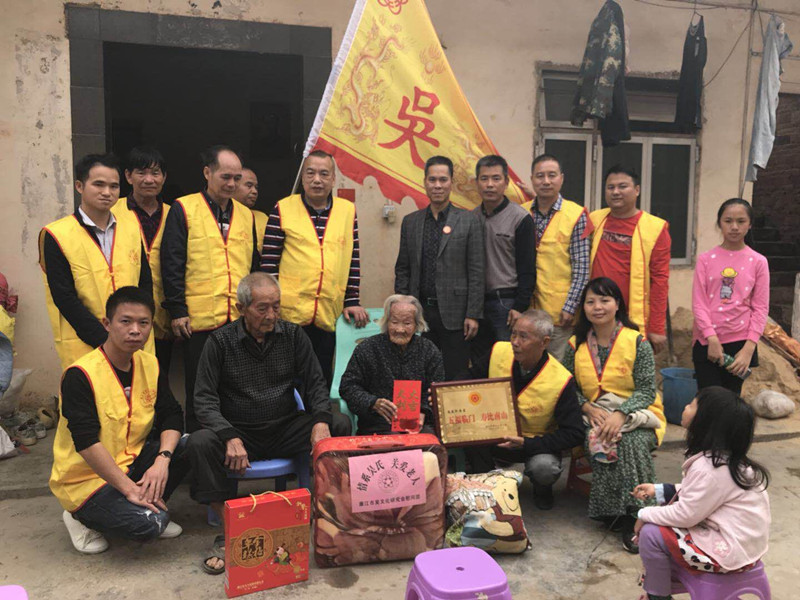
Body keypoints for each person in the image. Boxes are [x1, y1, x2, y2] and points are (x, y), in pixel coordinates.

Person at [185, 272, 351, 574]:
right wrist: (228, 435)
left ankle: (328, 513)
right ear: (241, 309)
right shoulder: (219, 342)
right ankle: (229, 527)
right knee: (199, 441)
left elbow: (315, 383)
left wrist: (320, 420)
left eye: (276, 306)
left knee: (338, 425)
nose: (271, 315)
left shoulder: (293, 335)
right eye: (262, 308)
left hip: (284, 426)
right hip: (240, 431)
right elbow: (204, 399)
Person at [50, 287, 188, 554]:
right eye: (126, 321)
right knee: (150, 526)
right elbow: (86, 442)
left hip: (131, 462)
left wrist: (162, 460)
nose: (135, 330)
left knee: (190, 445)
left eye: (143, 323)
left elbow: (171, 413)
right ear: (107, 324)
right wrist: (129, 489)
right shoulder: (81, 375)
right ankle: (78, 516)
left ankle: (149, 506)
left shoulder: (149, 364)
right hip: (86, 479)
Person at [633, 387, 771, 600]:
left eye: (692, 405)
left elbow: (686, 514)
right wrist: (659, 490)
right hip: (745, 547)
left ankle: (658, 595)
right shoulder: (728, 462)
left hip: (728, 553)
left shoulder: (709, 468)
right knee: (664, 527)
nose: (686, 407)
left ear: (706, 422)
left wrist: (644, 514)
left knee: (651, 534)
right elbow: (699, 494)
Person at [563, 277, 666, 553]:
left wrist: (621, 414)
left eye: (605, 300)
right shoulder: (575, 345)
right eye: (590, 301)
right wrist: (586, 407)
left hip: (638, 413)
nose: (597, 307)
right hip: (593, 414)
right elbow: (565, 387)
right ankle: (613, 511)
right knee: (601, 437)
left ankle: (637, 515)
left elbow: (647, 390)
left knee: (629, 441)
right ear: (583, 307)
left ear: (617, 304)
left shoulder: (637, 341)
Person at [161, 145, 259, 432]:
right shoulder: (183, 208)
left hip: (238, 318)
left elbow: (252, 266)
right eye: (225, 177)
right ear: (207, 173)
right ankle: (199, 444)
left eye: (237, 178)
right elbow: (172, 261)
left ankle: (237, 441)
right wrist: (177, 309)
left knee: (237, 385)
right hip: (199, 319)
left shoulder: (246, 215)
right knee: (200, 388)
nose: (231, 184)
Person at [261, 150, 368, 388]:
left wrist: (352, 300)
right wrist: (270, 306)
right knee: (286, 378)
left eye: (324, 174)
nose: (317, 180)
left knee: (320, 376)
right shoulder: (283, 208)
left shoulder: (347, 211)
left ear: (333, 179)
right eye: (310, 173)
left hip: (328, 311)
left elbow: (353, 258)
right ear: (302, 178)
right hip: (288, 313)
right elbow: (269, 263)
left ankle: (318, 413)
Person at [39, 153, 154, 371]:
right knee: (91, 391)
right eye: (99, 184)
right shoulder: (57, 234)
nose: (107, 192)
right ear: (79, 186)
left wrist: (138, 328)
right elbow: (64, 297)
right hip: (85, 343)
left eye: (114, 186)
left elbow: (145, 283)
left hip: (134, 341)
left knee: (139, 391)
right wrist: (107, 341)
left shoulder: (131, 227)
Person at [467, 309, 585, 510]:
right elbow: (469, 377)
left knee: (544, 468)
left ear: (544, 342)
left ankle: (542, 488)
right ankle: (488, 485)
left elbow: (574, 433)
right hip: (494, 434)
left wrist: (527, 443)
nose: (515, 342)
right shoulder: (498, 351)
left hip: (534, 445)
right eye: (513, 334)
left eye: (523, 337)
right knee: (466, 434)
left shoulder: (560, 380)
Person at [395, 155, 484, 380]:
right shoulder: (411, 222)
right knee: (417, 372)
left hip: (456, 315)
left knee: (455, 375)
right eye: (432, 180)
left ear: (451, 183)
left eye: (443, 180)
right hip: (419, 312)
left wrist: (473, 314)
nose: (437, 185)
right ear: (425, 182)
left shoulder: (469, 220)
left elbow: (476, 271)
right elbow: (403, 269)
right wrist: (403, 308)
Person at [589, 166, 670, 353]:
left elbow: (660, 281)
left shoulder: (655, 228)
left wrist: (657, 327)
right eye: (610, 187)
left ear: (637, 190)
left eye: (622, 186)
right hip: (596, 314)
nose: (616, 192)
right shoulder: (595, 219)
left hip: (631, 317)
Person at [692, 199, 769, 394]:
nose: (734, 227)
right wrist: (711, 339)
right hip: (707, 341)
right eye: (728, 221)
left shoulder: (758, 262)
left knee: (730, 403)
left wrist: (748, 349)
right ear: (719, 223)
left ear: (750, 224)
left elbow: (760, 308)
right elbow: (699, 303)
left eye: (741, 221)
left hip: (740, 343)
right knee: (708, 400)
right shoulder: (705, 259)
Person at [339, 294, 444, 435]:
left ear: (417, 325)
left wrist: (423, 411)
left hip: (418, 425)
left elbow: (435, 388)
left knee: (430, 444)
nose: (400, 329)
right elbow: (348, 386)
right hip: (377, 425)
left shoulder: (428, 350)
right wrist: (372, 403)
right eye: (394, 322)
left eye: (407, 323)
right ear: (386, 322)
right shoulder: (368, 348)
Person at [522, 154, 591, 360]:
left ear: (561, 178)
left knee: (557, 367)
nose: (546, 181)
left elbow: (581, 268)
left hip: (560, 315)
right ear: (532, 179)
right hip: (527, 312)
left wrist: (570, 307)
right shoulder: (522, 212)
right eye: (540, 176)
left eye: (552, 175)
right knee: (528, 365)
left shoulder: (576, 215)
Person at [112, 146, 173, 375]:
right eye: (141, 172)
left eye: (155, 173)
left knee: (159, 372)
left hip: (163, 309)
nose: (149, 179)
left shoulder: (175, 213)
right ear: (128, 176)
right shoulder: (113, 211)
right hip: (125, 307)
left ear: (164, 178)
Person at [472, 155, 536, 363]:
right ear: (476, 183)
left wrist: (519, 306)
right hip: (476, 304)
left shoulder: (520, 218)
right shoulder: (471, 218)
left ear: (506, 182)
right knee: (480, 362)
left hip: (507, 303)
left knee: (507, 361)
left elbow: (527, 267)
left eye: (496, 178)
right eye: (484, 179)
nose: (490, 184)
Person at [234, 166, 268, 250]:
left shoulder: (262, 218)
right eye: (249, 186)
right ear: (232, 186)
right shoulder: (220, 215)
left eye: (256, 187)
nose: (255, 191)